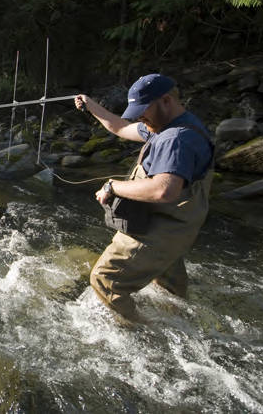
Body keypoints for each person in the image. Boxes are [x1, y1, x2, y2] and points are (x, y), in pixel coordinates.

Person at [74, 73, 214, 321]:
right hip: (179, 229)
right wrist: (90, 105)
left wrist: (112, 187)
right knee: (169, 290)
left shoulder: (175, 138)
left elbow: (164, 189)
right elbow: (119, 127)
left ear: (166, 101)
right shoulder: (171, 125)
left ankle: (143, 338)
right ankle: (183, 328)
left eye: (143, 109)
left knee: (106, 279)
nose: (139, 116)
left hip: (159, 229)